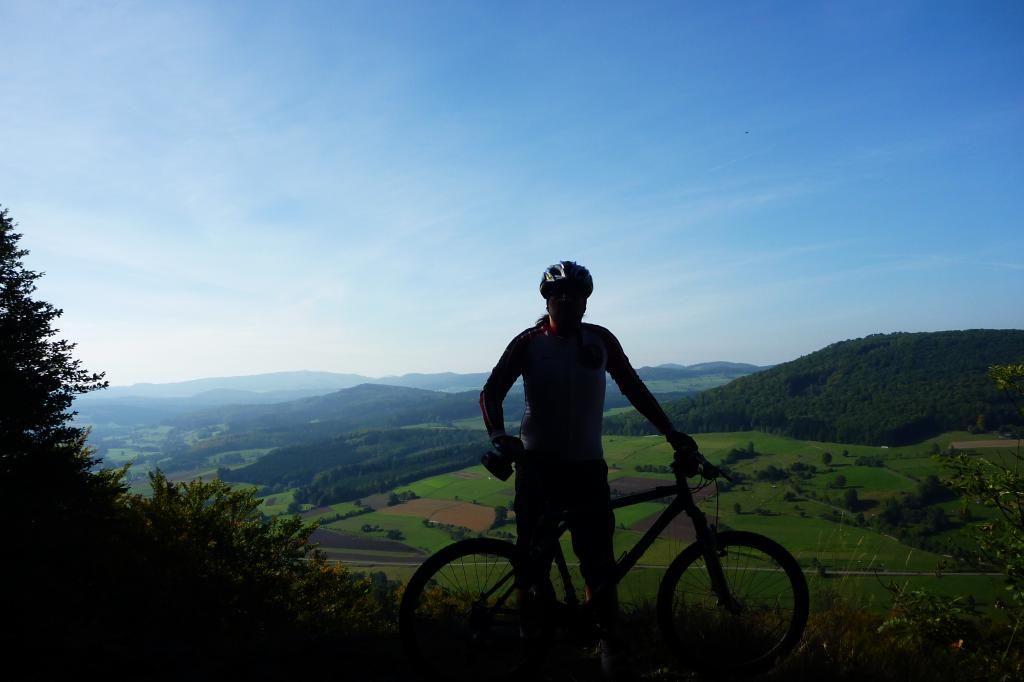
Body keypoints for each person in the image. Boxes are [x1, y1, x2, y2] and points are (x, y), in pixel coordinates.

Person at [479, 260, 698, 680]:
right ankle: (530, 646)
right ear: (547, 300)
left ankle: (608, 648)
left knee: (599, 563)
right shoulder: (528, 342)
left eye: (577, 296)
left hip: (587, 469)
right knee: (531, 562)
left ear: (586, 301)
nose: (568, 301)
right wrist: (498, 436)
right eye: (559, 295)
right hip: (538, 468)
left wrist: (671, 432)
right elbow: (491, 392)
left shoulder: (600, 341)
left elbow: (633, 386)